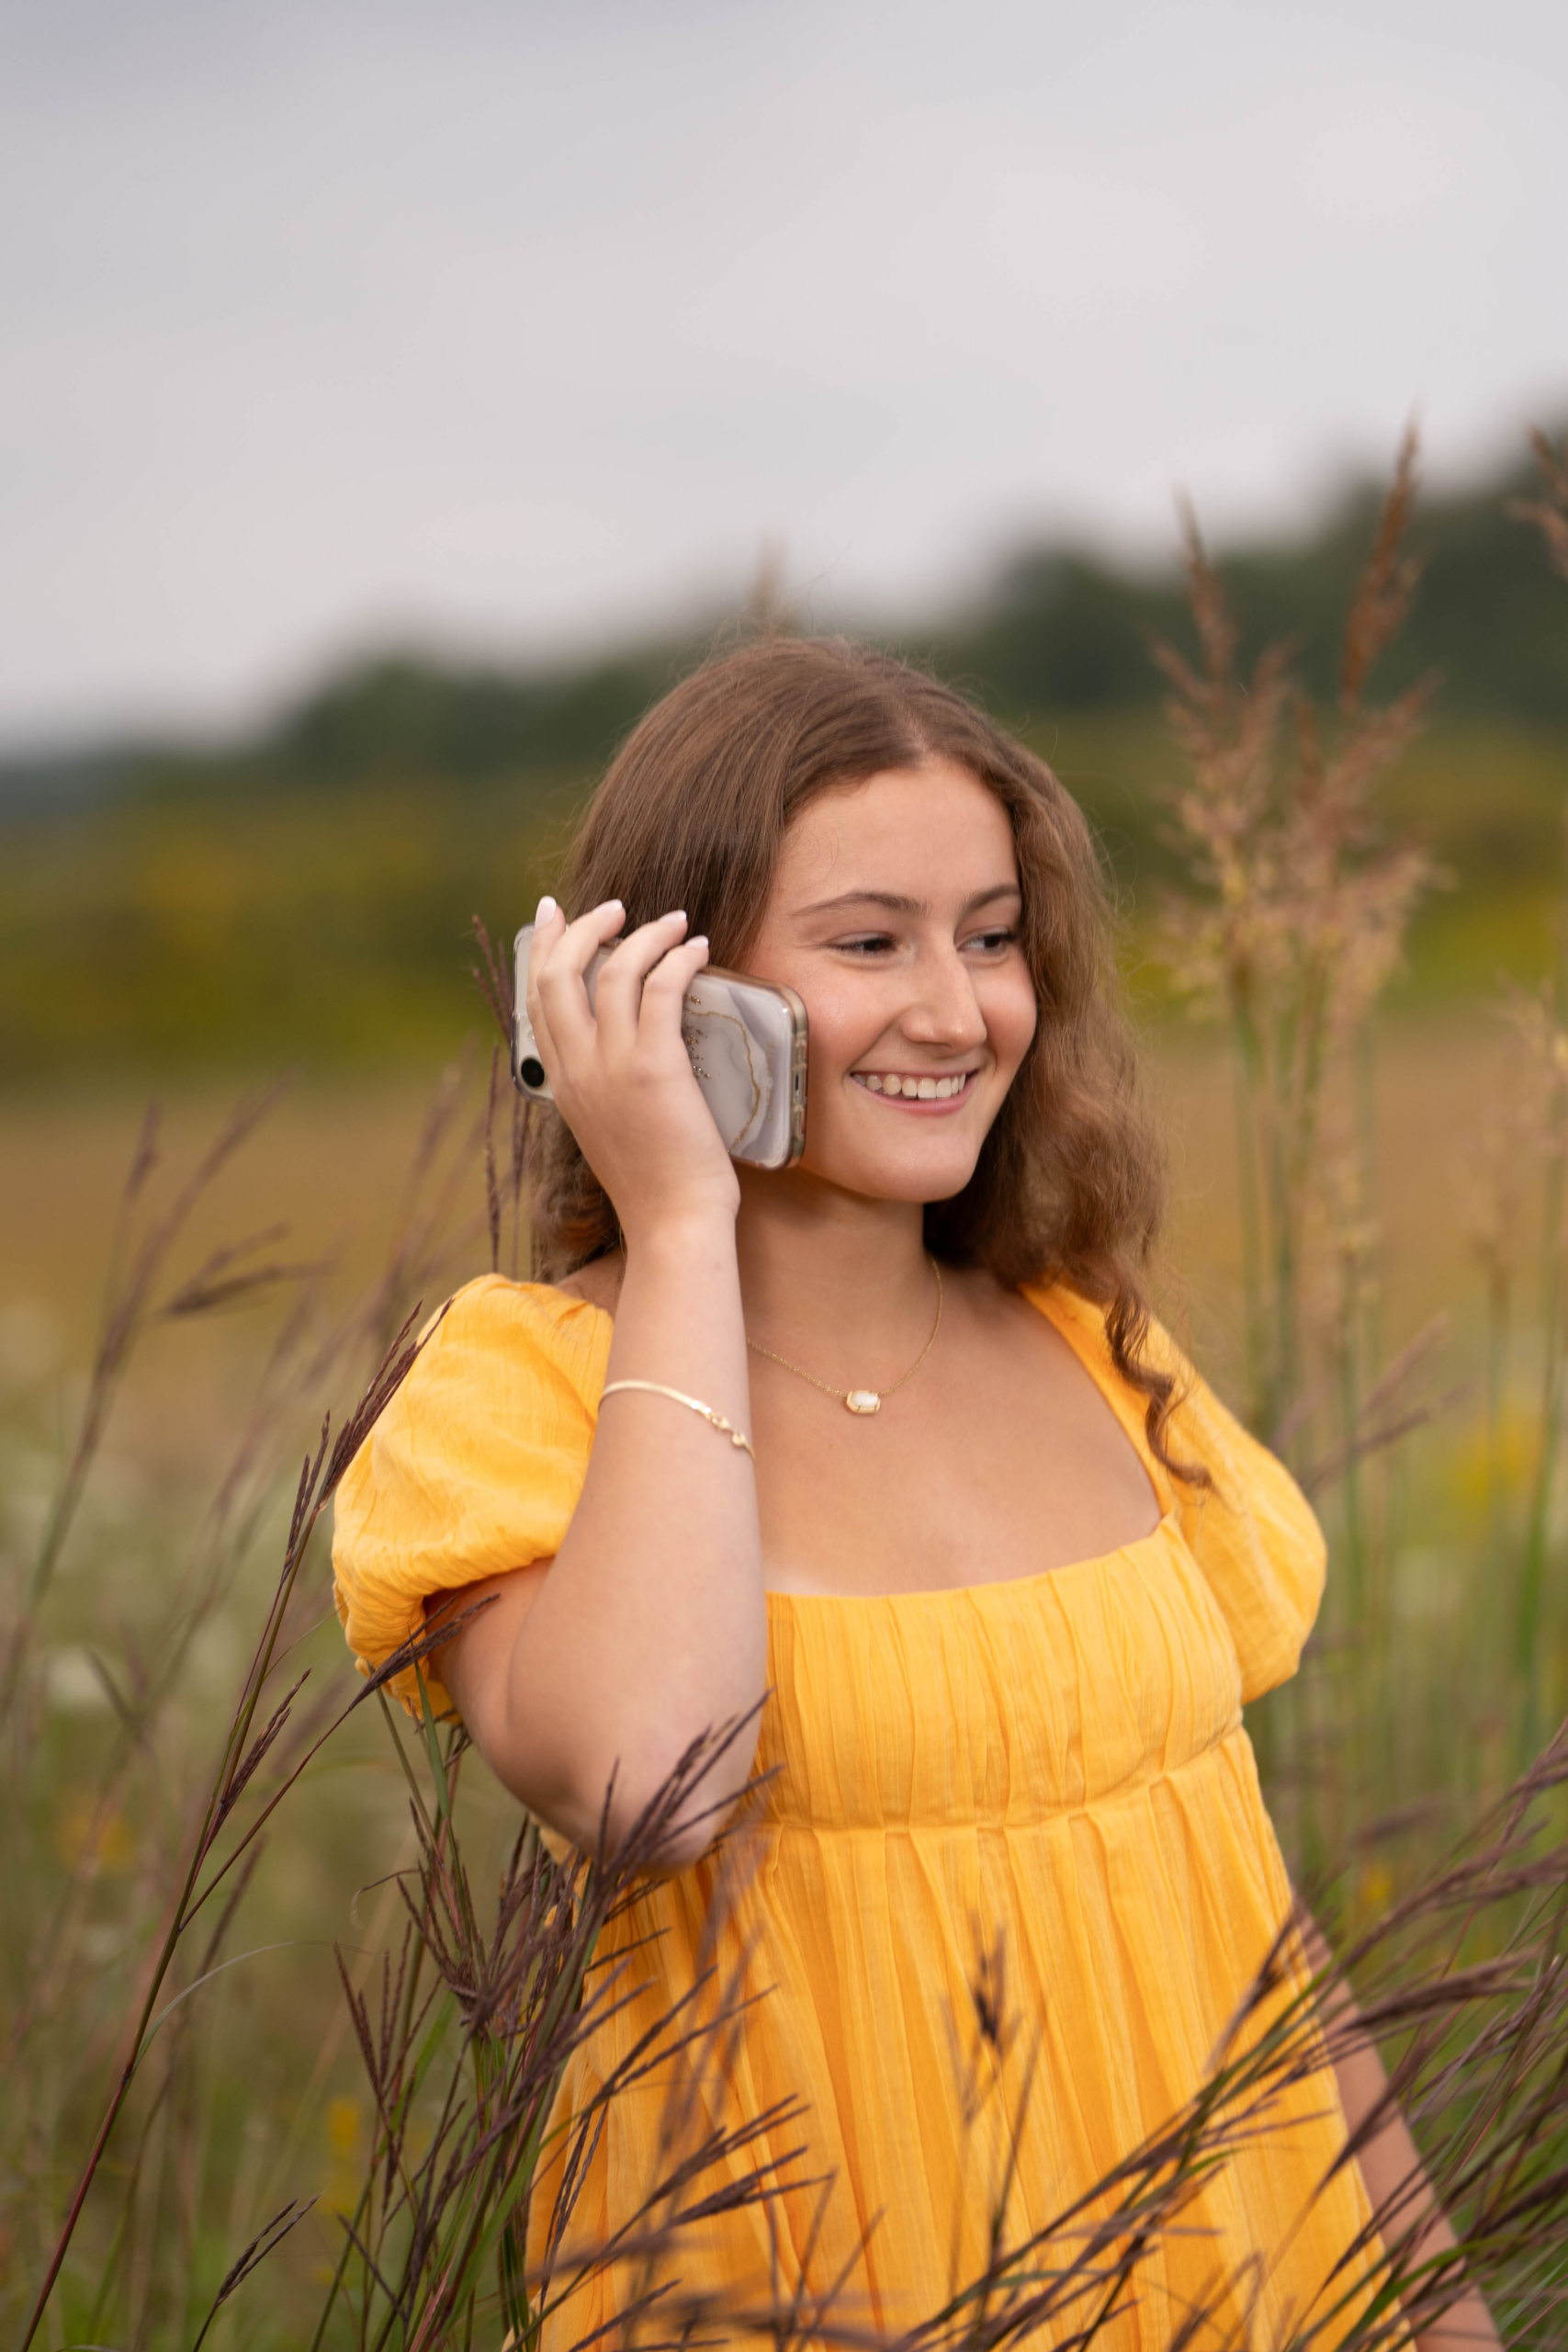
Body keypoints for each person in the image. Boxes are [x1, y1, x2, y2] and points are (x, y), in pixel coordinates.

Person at [333, 638, 1493, 2348]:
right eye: (870, 941)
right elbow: (655, 1781)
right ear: (662, 986)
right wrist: (676, 1225)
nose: (958, 1010)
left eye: (995, 935)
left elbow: (1253, 1927)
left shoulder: (1095, 1345)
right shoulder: (521, 1392)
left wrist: (1437, 2313)